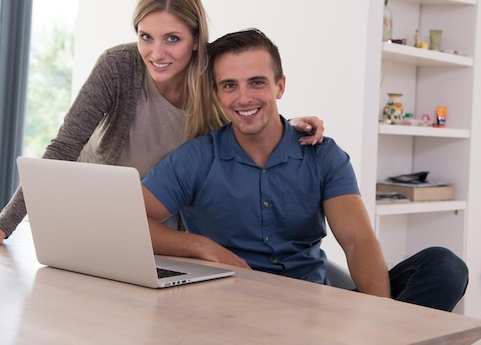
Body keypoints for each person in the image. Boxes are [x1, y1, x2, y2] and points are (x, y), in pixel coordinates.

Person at [0, 0, 324, 251]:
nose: (156, 53)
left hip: (158, 232)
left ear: (196, 40)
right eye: (146, 36)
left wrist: (288, 126)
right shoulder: (119, 66)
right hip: (89, 215)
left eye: (172, 39)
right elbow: (64, 146)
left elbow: (248, 107)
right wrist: (2, 225)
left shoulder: (212, 79)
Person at [142, 28, 468, 312]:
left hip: (316, 309)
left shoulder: (322, 154)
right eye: (229, 86)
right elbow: (131, 221)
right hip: (229, 312)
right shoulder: (197, 158)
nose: (243, 98)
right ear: (217, 93)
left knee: (445, 266)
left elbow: (357, 241)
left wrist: (376, 318)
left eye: (256, 82)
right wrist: (201, 246)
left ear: (280, 86)